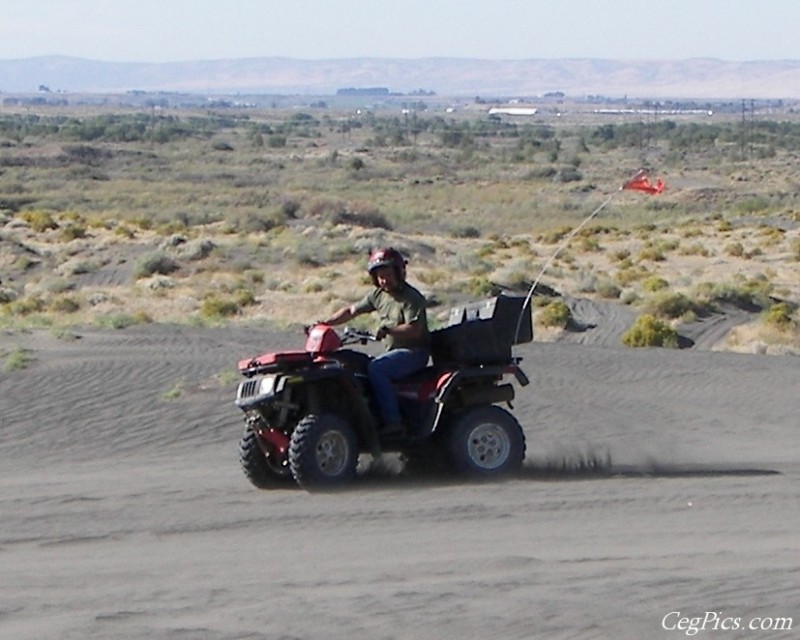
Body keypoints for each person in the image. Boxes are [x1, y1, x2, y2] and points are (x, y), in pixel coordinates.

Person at [322, 247, 430, 435]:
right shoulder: (378, 295)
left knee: (377, 369)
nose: (384, 280)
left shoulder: (412, 298)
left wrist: (389, 330)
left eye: (387, 274)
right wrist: (325, 323)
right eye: (379, 276)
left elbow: (414, 330)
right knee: (351, 365)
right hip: (393, 352)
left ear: (399, 272)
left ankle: (393, 422)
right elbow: (351, 311)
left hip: (414, 353)